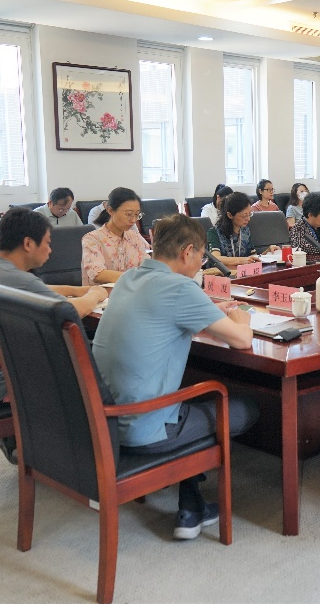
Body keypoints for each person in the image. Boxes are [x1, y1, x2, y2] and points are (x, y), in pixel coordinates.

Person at [92, 214, 259, 540]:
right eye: (201, 256)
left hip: (104, 420)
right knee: (245, 409)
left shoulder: (128, 279)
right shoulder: (180, 287)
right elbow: (242, 340)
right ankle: (191, 501)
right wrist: (242, 320)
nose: (200, 264)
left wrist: (207, 314)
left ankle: (191, 505)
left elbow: (159, 321)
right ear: (187, 252)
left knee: (193, 399)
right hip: (143, 428)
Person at [0, 207, 107, 462]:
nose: (50, 250)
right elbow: (70, 311)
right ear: (28, 244)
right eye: (48, 243)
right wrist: (96, 294)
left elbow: (38, 288)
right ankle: (84, 452)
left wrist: (78, 290)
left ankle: (22, 441)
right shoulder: (15, 277)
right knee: (81, 362)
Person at [81, 187, 151, 285]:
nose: (133, 220)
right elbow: (97, 274)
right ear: (110, 210)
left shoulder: (134, 237)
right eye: (128, 214)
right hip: (102, 293)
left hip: (132, 291)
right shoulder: (92, 239)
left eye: (137, 215)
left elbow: (147, 267)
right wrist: (134, 277)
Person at [206, 191, 271, 267]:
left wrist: (267, 252)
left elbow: (253, 257)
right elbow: (215, 258)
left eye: (250, 214)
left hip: (243, 271)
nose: (248, 218)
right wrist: (242, 260)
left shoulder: (245, 231)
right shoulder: (214, 232)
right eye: (244, 215)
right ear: (230, 215)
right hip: (224, 273)